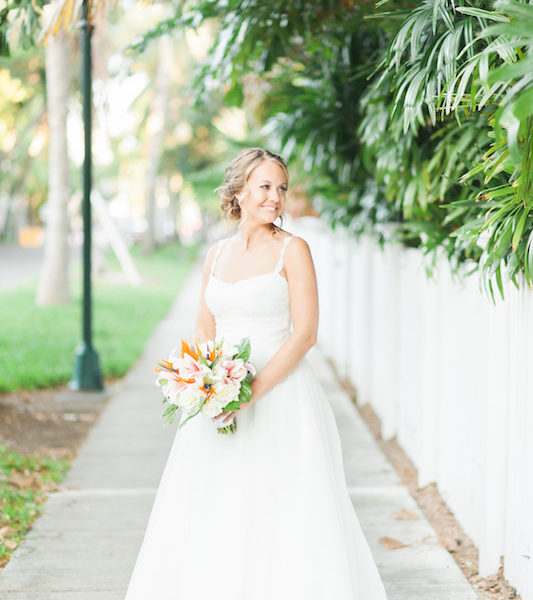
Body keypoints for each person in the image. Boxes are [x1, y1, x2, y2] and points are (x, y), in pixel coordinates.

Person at [125, 148, 389, 599]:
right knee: (216, 505)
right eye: (265, 186)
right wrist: (203, 384)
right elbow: (204, 327)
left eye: (281, 188)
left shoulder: (293, 250)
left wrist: (248, 394)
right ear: (239, 191)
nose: (275, 197)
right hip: (217, 399)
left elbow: (304, 334)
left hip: (280, 395)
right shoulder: (216, 254)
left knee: (281, 507)